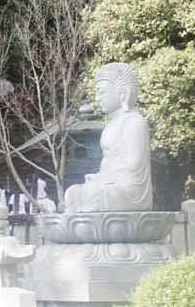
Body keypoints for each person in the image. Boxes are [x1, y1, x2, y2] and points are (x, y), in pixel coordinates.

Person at [64, 62, 153, 213]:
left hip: (129, 190)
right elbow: (106, 164)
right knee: (72, 192)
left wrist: (103, 178)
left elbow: (133, 165)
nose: (97, 98)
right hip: (109, 185)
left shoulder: (135, 122)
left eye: (102, 92)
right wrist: (98, 177)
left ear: (122, 92)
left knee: (92, 195)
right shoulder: (110, 126)